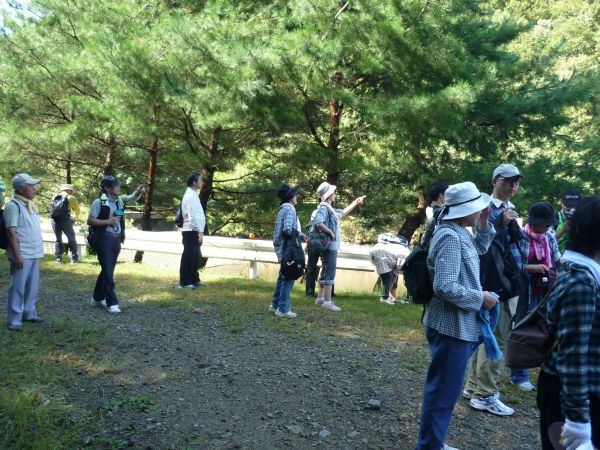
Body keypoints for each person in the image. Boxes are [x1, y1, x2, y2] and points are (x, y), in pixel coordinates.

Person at [415, 181, 498, 450]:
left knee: (445, 389)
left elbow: (479, 249)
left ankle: (433, 442)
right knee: (443, 392)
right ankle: (430, 446)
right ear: (464, 210)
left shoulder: (457, 231)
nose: (482, 209)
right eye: (478, 208)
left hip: (453, 325)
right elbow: (444, 286)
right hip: (450, 327)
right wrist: (480, 298)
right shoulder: (450, 237)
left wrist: (483, 223)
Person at [538, 196, 600, 450]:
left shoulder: (584, 272)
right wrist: (577, 420)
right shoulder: (581, 282)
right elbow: (572, 355)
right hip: (573, 400)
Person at [464, 163, 524, 415]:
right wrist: (499, 223)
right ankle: (485, 394)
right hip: (494, 284)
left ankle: (472, 387)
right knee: (496, 336)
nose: (512, 185)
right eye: (506, 180)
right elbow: (479, 246)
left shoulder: (510, 209)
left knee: (485, 335)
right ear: (494, 182)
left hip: (505, 281)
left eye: (516, 181)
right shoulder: (484, 208)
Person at [510, 202, 562, 389]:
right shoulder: (520, 236)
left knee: (543, 327)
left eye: (549, 223)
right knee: (521, 327)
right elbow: (514, 266)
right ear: (533, 223)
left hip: (545, 289)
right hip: (524, 288)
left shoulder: (549, 237)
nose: (548, 227)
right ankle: (519, 375)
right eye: (544, 223)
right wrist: (534, 267)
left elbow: (557, 259)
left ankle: (541, 368)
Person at [88, 176, 145, 314]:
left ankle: (96, 298)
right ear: (107, 188)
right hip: (104, 239)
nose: (119, 187)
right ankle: (112, 302)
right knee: (108, 271)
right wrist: (108, 221)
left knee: (107, 270)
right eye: (116, 185)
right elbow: (90, 220)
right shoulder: (99, 202)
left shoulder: (119, 199)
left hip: (116, 239)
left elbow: (132, 197)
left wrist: (138, 192)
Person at [312, 182, 365, 312]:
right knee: (330, 271)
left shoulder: (329, 208)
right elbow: (318, 222)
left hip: (328, 246)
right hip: (330, 246)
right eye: (333, 192)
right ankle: (328, 302)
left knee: (325, 270)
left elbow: (342, 214)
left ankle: (320, 298)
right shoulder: (324, 207)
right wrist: (330, 231)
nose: (335, 194)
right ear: (329, 195)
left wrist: (355, 202)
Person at [4, 173, 44, 331]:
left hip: (34, 251)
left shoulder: (31, 205)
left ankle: (29, 312)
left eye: (34, 185)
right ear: (21, 188)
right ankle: (14, 319)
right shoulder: (13, 206)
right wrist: (17, 255)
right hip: (22, 253)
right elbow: (11, 232)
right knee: (18, 287)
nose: (34, 188)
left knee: (32, 286)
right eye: (30, 185)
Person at [270, 184, 305, 318]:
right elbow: (288, 230)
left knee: (282, 275)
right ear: (290, 197)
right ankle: (283, 309)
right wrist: (296, 241)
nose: (296, 197)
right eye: (295, 195)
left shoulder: (283, 209)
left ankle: (275, 305)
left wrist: (300, 234)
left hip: (282, 246)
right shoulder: (290, 210)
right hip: (288, 248)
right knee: (288, 277)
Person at [179, 172, 206, 289]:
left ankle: (194, 279)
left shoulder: (193, 195)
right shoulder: (190, 196)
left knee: (196, 256)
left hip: (194, 229)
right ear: (194, 182)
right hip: (191, 230)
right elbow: (192, 216)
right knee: (189, 256)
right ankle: (185, 282)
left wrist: (200, 230)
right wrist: (199, 231)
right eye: (200, 180)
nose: (202, 182)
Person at [369, 233, 410, 304]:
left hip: (377, 252)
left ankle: (390, 298)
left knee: (391, 276)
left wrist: (395, 272)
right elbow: (399, 265)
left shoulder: (399, 248)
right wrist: (397, 271)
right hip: (381, 254)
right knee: (387, 276)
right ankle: (384, 298)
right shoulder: (406, 253)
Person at [51, 183, 81, 264]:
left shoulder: (55, 196)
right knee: (71, 238)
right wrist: (73, 218)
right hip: (65, 220)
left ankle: (58, 258)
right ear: (70, 190)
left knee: (58, 239)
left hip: (54, 220)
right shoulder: (71, 197)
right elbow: (77, 211)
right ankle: (74, 258)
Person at [420, 181, 448, 246]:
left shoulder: (429, 208)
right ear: (440, 195)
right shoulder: (441, 212)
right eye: (446, 193)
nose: (447, 196)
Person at [555, 188, 581, 254]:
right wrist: (564, 228)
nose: (571, 209)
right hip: (557, 256)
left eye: (574, 206)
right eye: (568, 206)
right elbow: (546, 241)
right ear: (561, 202)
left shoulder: (583, 218)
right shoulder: (554, 217)